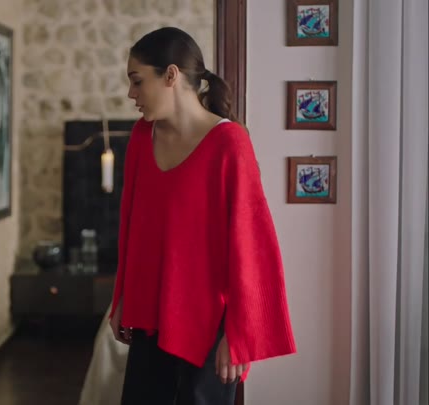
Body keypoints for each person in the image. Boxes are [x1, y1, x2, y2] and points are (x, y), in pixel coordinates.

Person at [108, 27, 297, 405]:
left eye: (137, 81)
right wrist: (122, 297)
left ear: (171, 75)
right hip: (149, 321)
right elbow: (131, 226)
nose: (131, 94)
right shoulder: (142, 138)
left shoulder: (230, 143)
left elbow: (251, 246)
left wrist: (239, 335)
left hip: (210, 330)